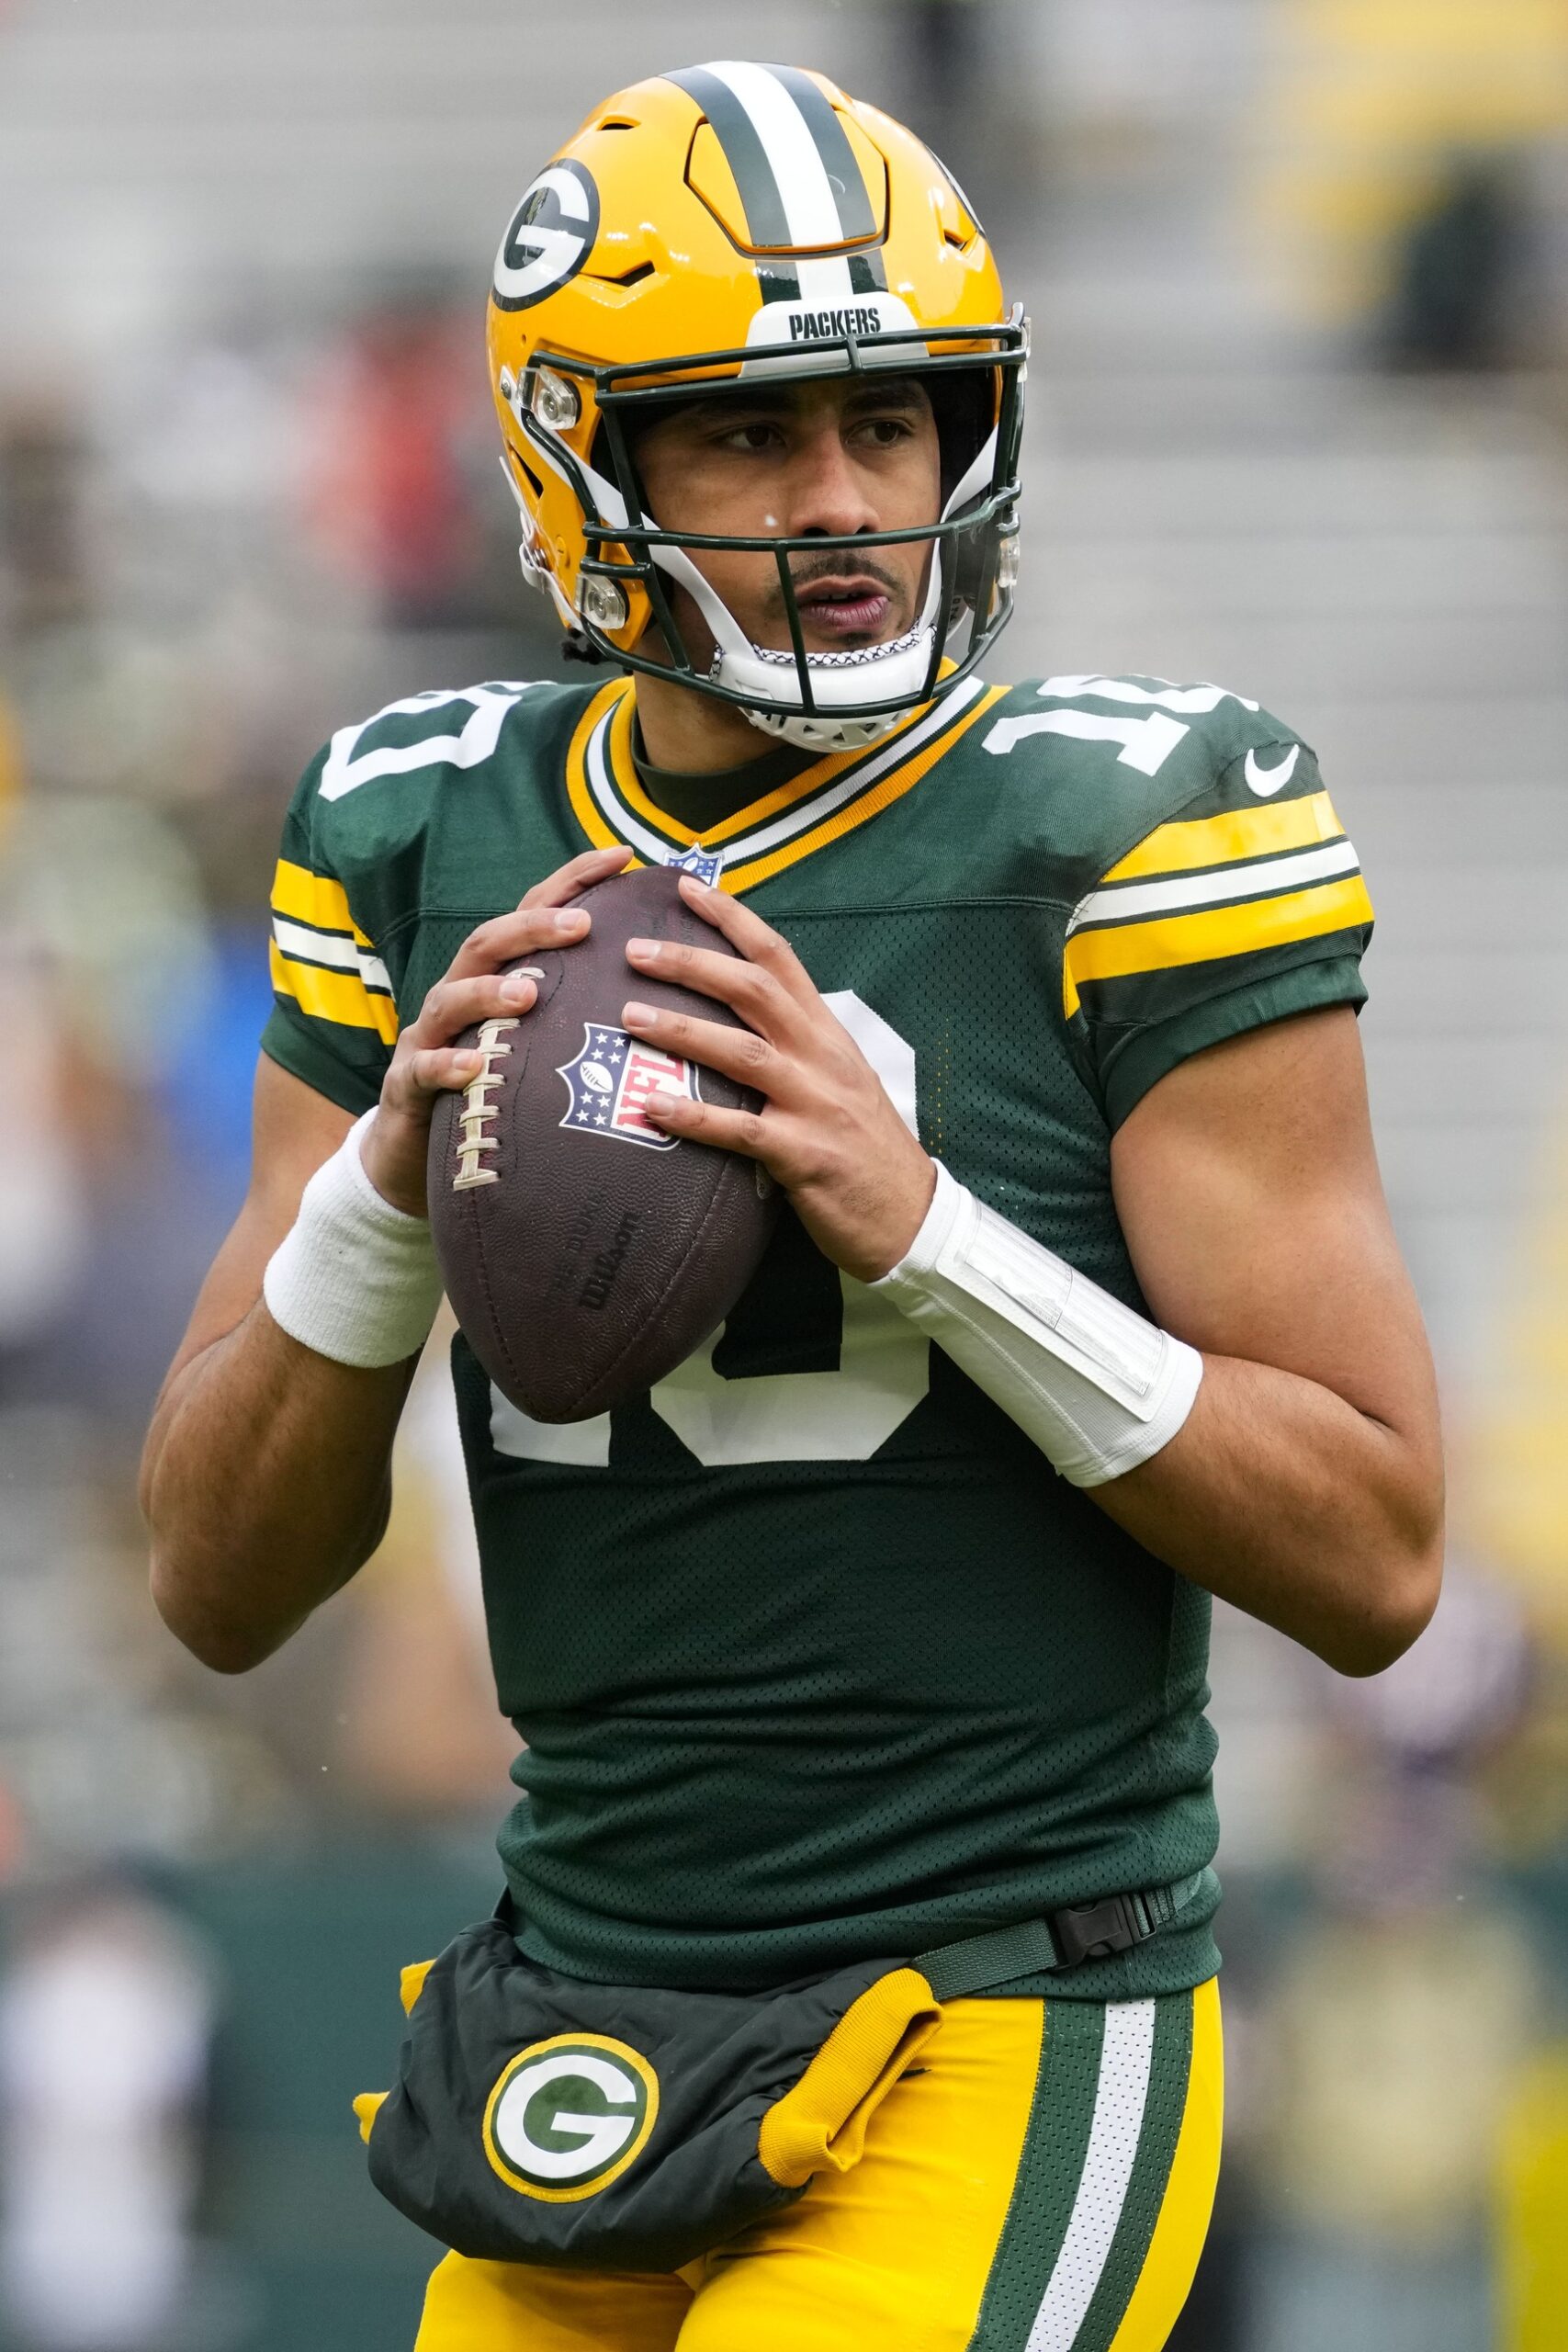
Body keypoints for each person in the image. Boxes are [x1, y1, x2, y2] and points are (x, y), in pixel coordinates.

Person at [139, 61, 1444, 2352]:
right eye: (746, 434)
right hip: (590, 1999)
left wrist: (929, 1233)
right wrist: (377, 1187)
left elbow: (1369, 1556)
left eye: (895, 421)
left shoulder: (1127, 820)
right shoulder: (415, 823)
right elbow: (219, 1579)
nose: (845, 504)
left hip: (997, 2005)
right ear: (580, 462)